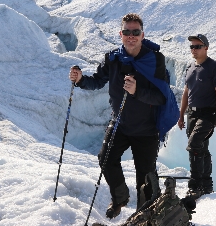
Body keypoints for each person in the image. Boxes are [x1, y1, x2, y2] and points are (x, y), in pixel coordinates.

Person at [68, 13, 167, 219]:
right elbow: (96, 81)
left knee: (145, 176)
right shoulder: (112, 58)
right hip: (120, 123)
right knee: (105, 158)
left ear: (142, 34)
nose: (131, 36)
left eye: (135, 32)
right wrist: (80, 80)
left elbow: (161, 96)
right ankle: (120, 199)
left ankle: (145, 213)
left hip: (146, 128)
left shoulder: (154, 60)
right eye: (127, 32)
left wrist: (137, 91)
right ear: (120, 34)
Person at [177, 34, 216, 199]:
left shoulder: (215, 68)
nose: (194, 49)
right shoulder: (190, 67)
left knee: (195, 143)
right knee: (201, 148)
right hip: (192, 113)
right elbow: (186, 92)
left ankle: (195, 185)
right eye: (192, 46)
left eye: (197, 46)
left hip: (208, 113)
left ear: (206, 47)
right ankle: (206, 186)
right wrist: (181, 114)